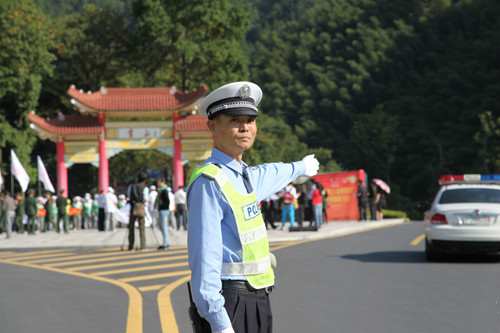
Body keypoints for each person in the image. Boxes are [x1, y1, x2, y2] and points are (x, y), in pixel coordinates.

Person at [187, 81, 319, 333]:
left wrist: (301, 167)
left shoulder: (246, 175)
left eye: (250, 120)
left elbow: (275, 172)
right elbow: (205, 259)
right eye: (234, 120)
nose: (245, 127)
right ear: (212, 126)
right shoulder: (209, 182)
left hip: (259, 299)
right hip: (230, 304)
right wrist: (218, 321)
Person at [127, 172, 149, 251]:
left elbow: (129, 196)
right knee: (142, 228)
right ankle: (143, 246)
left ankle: (131, 246)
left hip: (133, 207)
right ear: (145, 180)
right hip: (141, 207)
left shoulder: (131, 186)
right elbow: (146, 199)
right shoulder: (145, 188)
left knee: (131, 227)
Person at [156, 177, 170, 250]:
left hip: (164, 210)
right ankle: (165, 242)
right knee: (161, 227)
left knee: (164, 227)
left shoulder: (164, 190)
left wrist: (164, 207)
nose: (158, 183)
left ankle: (166, 243)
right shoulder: (161, 190)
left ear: (163, 182)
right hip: (162, 210)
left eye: (159, 182)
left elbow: (167, 201)